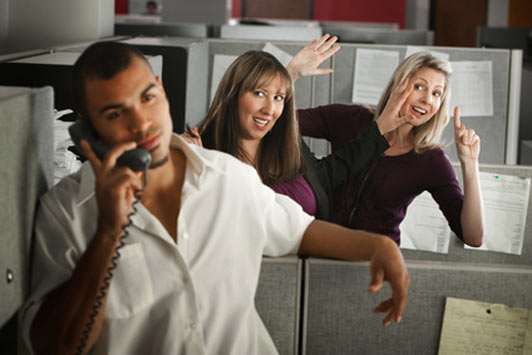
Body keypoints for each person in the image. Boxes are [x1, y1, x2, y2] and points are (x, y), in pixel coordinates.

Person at [19, 41, 410, 354]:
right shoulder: (66, 212)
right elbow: (54, 346)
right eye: (115, 113)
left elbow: (300, 231)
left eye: (148, 97)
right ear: (88, 130)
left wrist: (379, 247)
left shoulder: (230, 179)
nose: (142, 123)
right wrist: (107, 234)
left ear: (163, 90)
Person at [191, 35, 414, 220]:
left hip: (305, 268)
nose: (270, 109)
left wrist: (381, 127)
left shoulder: (285, 143)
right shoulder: (205, 154)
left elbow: (326, 175)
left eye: (279, 98)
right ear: (233, 95)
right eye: (259, 94)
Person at [297, 52, 485, 247]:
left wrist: (470, 164)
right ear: (398, 85)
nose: (427, 100)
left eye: (436, 93)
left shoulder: (430, 160)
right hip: (320, 249)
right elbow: (277, 122)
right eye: (419, 87)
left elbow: (473, 237)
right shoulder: (350, 119)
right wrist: (291, 75)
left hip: (375, 261)